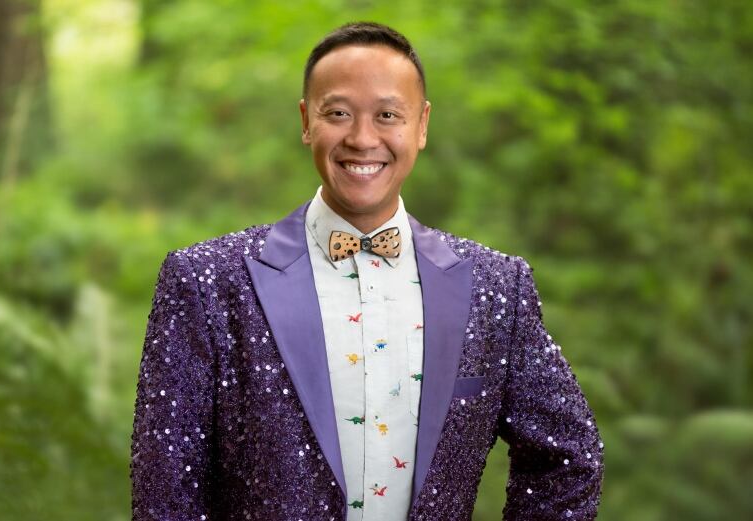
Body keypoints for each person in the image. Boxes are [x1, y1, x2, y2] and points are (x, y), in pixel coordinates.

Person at [130, 21, 604, 521]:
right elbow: (166, 491)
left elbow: (570, 457)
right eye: (337, 113)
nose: (362, 138)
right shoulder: (207, 283)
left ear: (421, 126)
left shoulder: (496, 288)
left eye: (387, 115)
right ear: (306, 120)